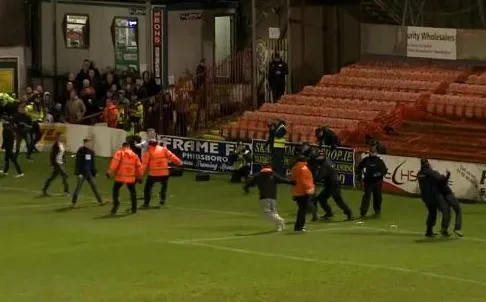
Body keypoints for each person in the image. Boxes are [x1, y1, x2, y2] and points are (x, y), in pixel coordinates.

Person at [244, 164, 294, 231]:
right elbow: (283, 180)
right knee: (274, 212)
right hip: (273, 197)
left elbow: (249, 183)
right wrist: (292, 182)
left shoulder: (258, 175)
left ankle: (280, 220)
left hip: (264, 197)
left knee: (266, 212)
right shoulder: (273, 174)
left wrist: (246, 188)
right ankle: (279, 227)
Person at [140, 140, 182, 208]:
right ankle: (162, 199)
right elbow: (172, 156)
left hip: (153, 174)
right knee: (164, 187)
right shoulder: (163, 149)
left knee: (147, 188)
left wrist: (140, 175)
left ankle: (146, 203)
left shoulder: (148, 152)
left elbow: (144, 165)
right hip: (164, 173)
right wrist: (179, 162)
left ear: (150, 145)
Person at [417, 159, 453, 237]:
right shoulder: (430, 172)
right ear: (427, 163)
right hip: (435, 196)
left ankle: (429, 231)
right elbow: (441, 180)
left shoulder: (419, 174)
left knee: (432, 213)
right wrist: (447, 176)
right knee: (446, 210)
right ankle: (444, 229)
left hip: (426, 197)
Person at [314, 151, 353, 221]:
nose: (317, 158)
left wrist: (314, 175)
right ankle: (329, 213)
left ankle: (349, 213)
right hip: (331, 183)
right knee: (321, 198)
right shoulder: (327, 160)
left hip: (333, 184)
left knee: (338, 200)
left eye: (319, 157)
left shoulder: (324, 165)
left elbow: (319, 177)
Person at [106, 142, 143, 215]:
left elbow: (114, 164)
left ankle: (115, 206)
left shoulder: (120, 153)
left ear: (122, 146)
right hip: (130, 177)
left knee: (115, 190)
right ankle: (134, 208)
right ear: (129, 147)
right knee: (133, 192)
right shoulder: (135, 155)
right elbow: (139, 167)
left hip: (120, 176)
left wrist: (109, 173)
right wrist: (139, 177)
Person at [72, 138, 105, 207]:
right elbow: (78, 162)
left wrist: (94, 172)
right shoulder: (81, 150)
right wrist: (78, 173)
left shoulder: (91, 151)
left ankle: (100, 201)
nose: (89, 144)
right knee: (78, 188)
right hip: (82, 173)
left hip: (88, 173)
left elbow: (92, 163)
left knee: (94, 187)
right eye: (88, 143)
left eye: (90, 143)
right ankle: (74, 202)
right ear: (85, 143)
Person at [356, 146, 388, 218]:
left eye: (374, 152)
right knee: (366, 197)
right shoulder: (366, 160)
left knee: (378, 197)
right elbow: (359, 168)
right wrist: (359, 177)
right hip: (368, 182)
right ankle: (363, 212)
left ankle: (377, 211)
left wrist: (377, 175)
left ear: (376, 153)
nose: (372, 153)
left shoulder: (379, 161)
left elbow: (384, 171)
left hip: (377, 182)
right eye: (371, 152)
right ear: (369, 152)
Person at [436, 164, 463, 237]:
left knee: (447, 213)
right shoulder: (440, 179)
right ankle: (457, 228)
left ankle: (444, 229)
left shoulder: (432, 182)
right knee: (458, 210)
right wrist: (448, 174)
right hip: (449, 195)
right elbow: (444, 181)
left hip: (441, 198)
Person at [291, 154, 315, 232]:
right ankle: (299, 226)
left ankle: (298, 226)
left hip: (296, 192)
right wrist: (309, 190)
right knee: (303, 210)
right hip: (303, 192)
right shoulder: (304, 169)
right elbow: (304, 181)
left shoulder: (294, 168)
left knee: (301, 209)